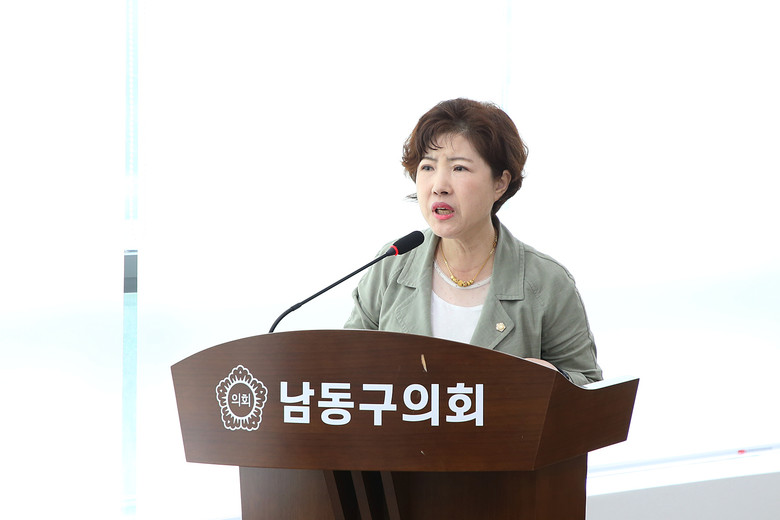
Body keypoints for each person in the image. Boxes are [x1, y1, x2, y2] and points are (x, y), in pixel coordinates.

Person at [344, 98, 602, 386]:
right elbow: (345, 370)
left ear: (500, 183)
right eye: (427, 167)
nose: (439, 186)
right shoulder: (392, 265)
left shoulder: (546, 281)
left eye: (459, 168)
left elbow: (591, 390)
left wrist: (556, 380)